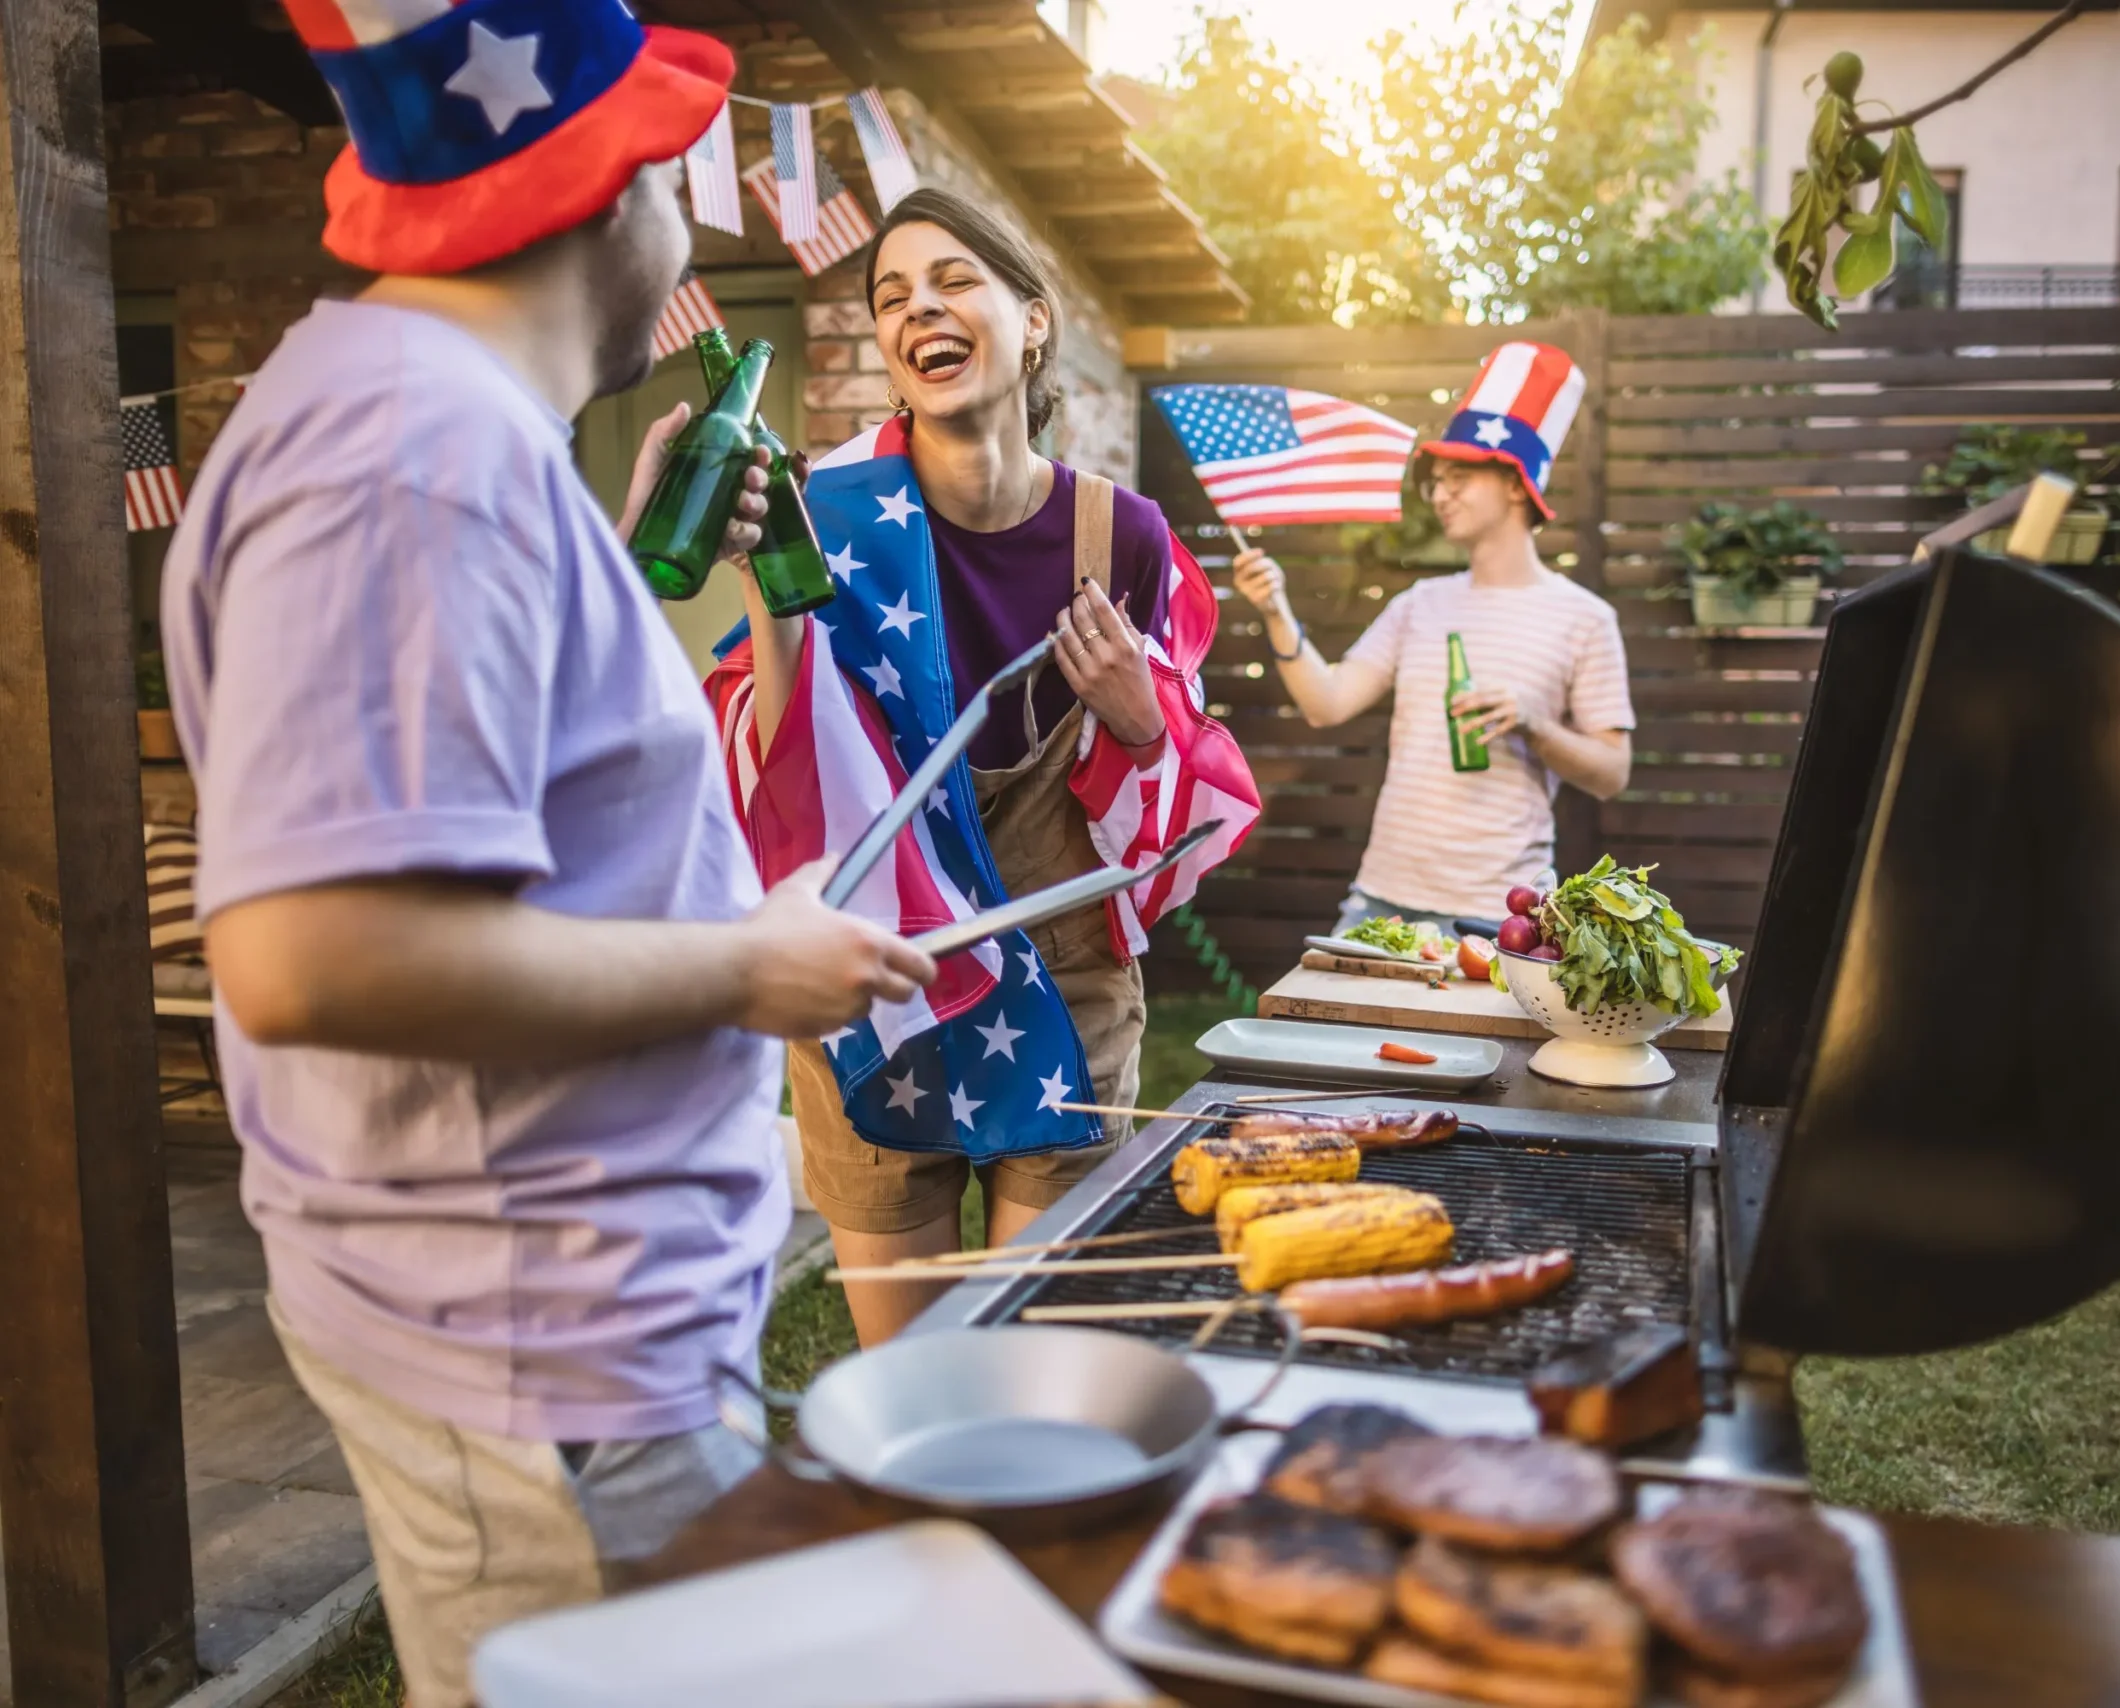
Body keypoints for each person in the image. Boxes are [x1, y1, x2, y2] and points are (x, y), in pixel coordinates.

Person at [159, 8, 934, 1701]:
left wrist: (615, 561)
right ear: (611, 182)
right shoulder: (414, 457)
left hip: (558, 1326)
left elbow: (497, 787)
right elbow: (316, 951)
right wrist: (749, 965)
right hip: (553, 1351)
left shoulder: (439, 439)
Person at [708, 187, 1260, 1347]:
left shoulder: (1125, 539)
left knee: (1038, 1364)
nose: (920, 311)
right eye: (891, 297)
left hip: (1066, 987)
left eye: (953, 280)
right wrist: (775, 604)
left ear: (1034, 319)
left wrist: (1140, 721)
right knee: (907, 1373)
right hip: (879, 983)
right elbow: (775, 777)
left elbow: (1180, 823)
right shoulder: (830, 517)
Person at [1231, 342, 1634, 935]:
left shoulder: (1585, 617)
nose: (1439, 493)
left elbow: (1612, 772)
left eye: (1459, 477)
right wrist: (1275, 611)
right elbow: (1327, 703)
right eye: (1436, 480)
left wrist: (1533, 722)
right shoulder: (1419, 604)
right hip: (1381, 899)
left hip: (1505, 915)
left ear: (1518, 485)